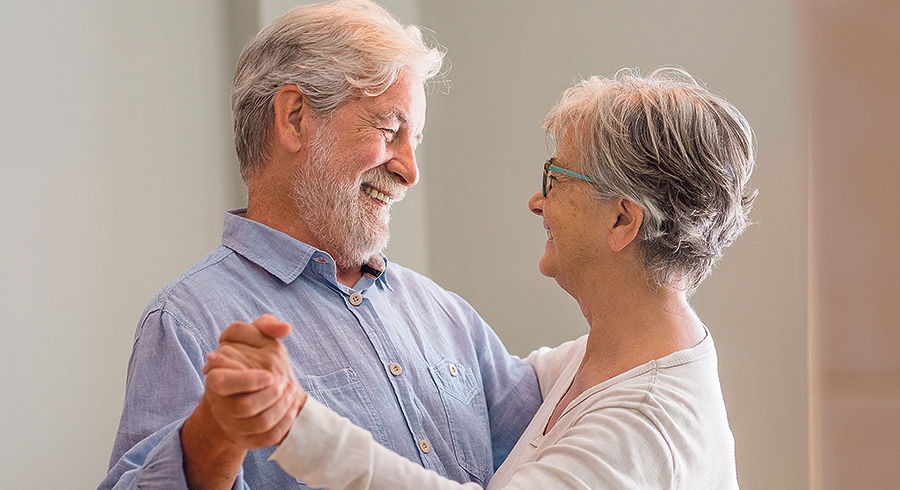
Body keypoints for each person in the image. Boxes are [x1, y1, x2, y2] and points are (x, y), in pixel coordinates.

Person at [206, 67, 756, 489]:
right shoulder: (594, 362)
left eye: (556, 176)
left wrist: (298, 425)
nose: (537, 201)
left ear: (621, 221)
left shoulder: (643, 426)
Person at [100, 1, 542, 488]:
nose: (410, 171)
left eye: (414, 140)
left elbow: (560, 442)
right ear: (293, 118)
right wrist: (214, 435)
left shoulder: (448, 316)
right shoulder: (187, 322)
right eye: (389, 131)